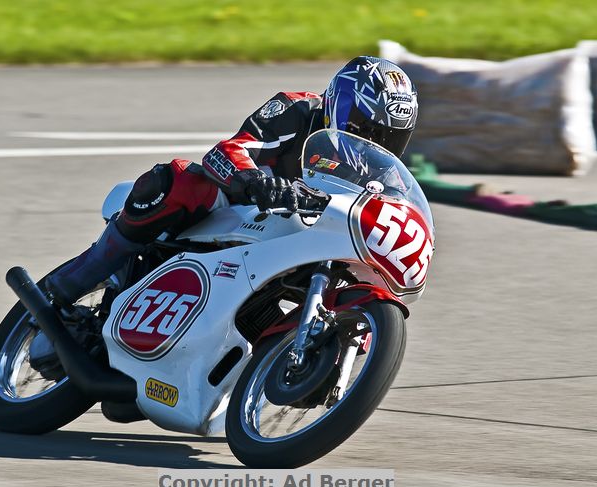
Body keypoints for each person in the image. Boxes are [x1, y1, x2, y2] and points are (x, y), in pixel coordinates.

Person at [45, 56, 419, 307]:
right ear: (339, 104)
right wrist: (256, 180)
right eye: (366, 129)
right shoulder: (297, 109)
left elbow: (391, 210)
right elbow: (229, 150)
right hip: (247, 210)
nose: (376, 143)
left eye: (389, 137)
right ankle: (79, 277)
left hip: (306, 237)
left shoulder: (381, 169)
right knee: (174, 180)